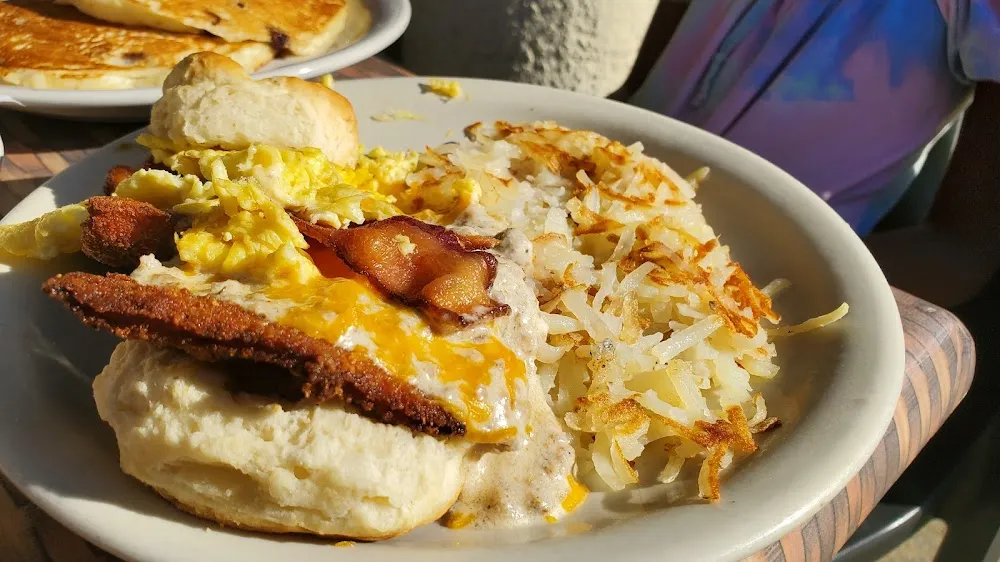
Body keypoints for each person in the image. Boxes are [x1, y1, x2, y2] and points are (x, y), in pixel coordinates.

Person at [613, 0, 1000, 308]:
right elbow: (633, 95)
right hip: (604, 199)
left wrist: (734, 284)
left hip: (748, 296)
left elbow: (963, 252)